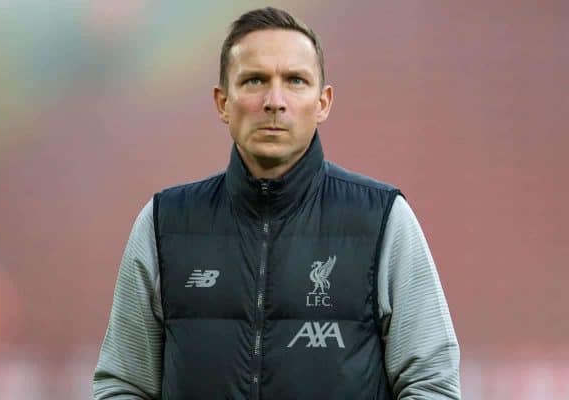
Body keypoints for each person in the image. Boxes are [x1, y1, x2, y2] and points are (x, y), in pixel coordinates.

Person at [93, 7, 460, 400]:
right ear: (222, 102)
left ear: (323, 102)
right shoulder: (164, 224)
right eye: (254, 80)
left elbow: (431, 383)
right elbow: (124, 383)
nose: (274, 101)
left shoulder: (383, 220)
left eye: (295, 81)